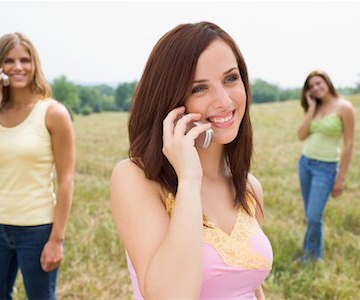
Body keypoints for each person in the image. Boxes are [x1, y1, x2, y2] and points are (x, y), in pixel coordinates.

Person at [110, 22, 273, 300]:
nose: (224, 100)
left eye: (231, 79)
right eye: (199, 88)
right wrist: (188, 180)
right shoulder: (135, 178)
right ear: (170, 100)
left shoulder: (248, 188)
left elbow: (251, 288)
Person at [0, 32, 75, 299]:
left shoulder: (53, 113)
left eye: (25, 60)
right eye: (9, 60)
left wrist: (57, 239)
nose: (18, 67)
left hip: (38, 231)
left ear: (34, 64)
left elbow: (66, 179)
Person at [297, 70, 355, 261]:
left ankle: (311, 256)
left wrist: (341, 178)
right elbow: (301, 135)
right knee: (310, 215)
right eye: (311, 86)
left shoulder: (344, 107)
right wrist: (312, 107)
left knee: (314, 216)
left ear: (327, 82)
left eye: (318, 83)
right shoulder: (316, 107)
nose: (315, 88)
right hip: (305, 163)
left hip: (326, 168)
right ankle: (311, 253)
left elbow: (349, 144)